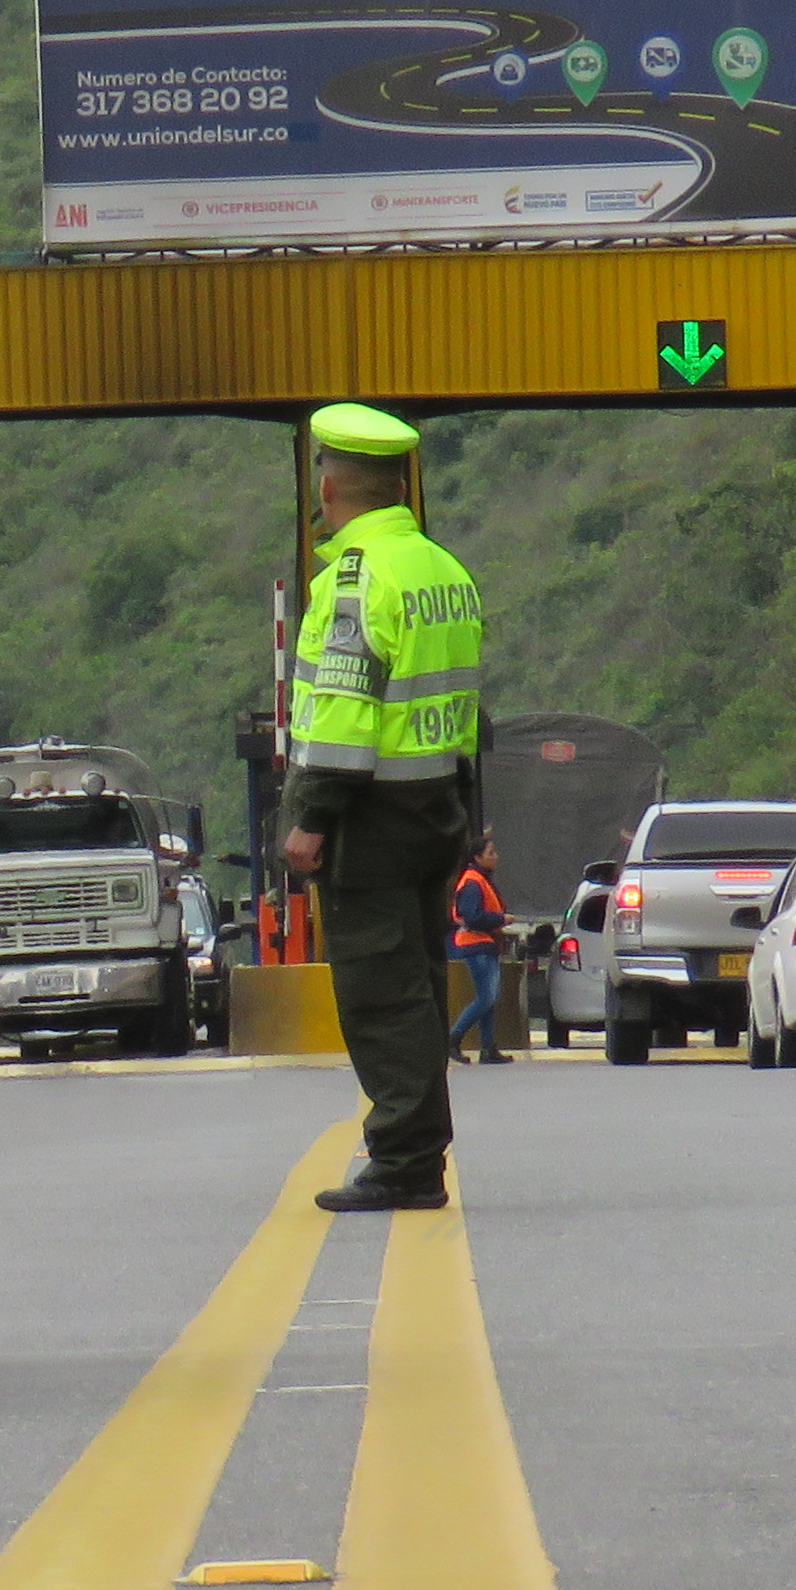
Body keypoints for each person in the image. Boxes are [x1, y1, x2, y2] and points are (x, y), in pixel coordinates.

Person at [281, 402, 487, 1212]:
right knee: (423, 985)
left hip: (371, 814)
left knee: (382, 993)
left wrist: (311, 818)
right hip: (436, 807)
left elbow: (342, 710)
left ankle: (404, 1161)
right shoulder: (443, 571)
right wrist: (472, 816)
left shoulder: (355, 582)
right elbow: (470, 712)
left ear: (330, 486)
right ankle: (417, 1153)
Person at [446, 851, 512, 1063]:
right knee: (487, 996)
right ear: (477, 857)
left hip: (485, 943)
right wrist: (500, 918)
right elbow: (471, 916)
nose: (496, 856)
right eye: (490, 852)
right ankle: (453, 1038)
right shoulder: (473, 882)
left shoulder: (480, 879)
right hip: (476, 943)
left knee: (490, 998)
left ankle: (488, 1047)